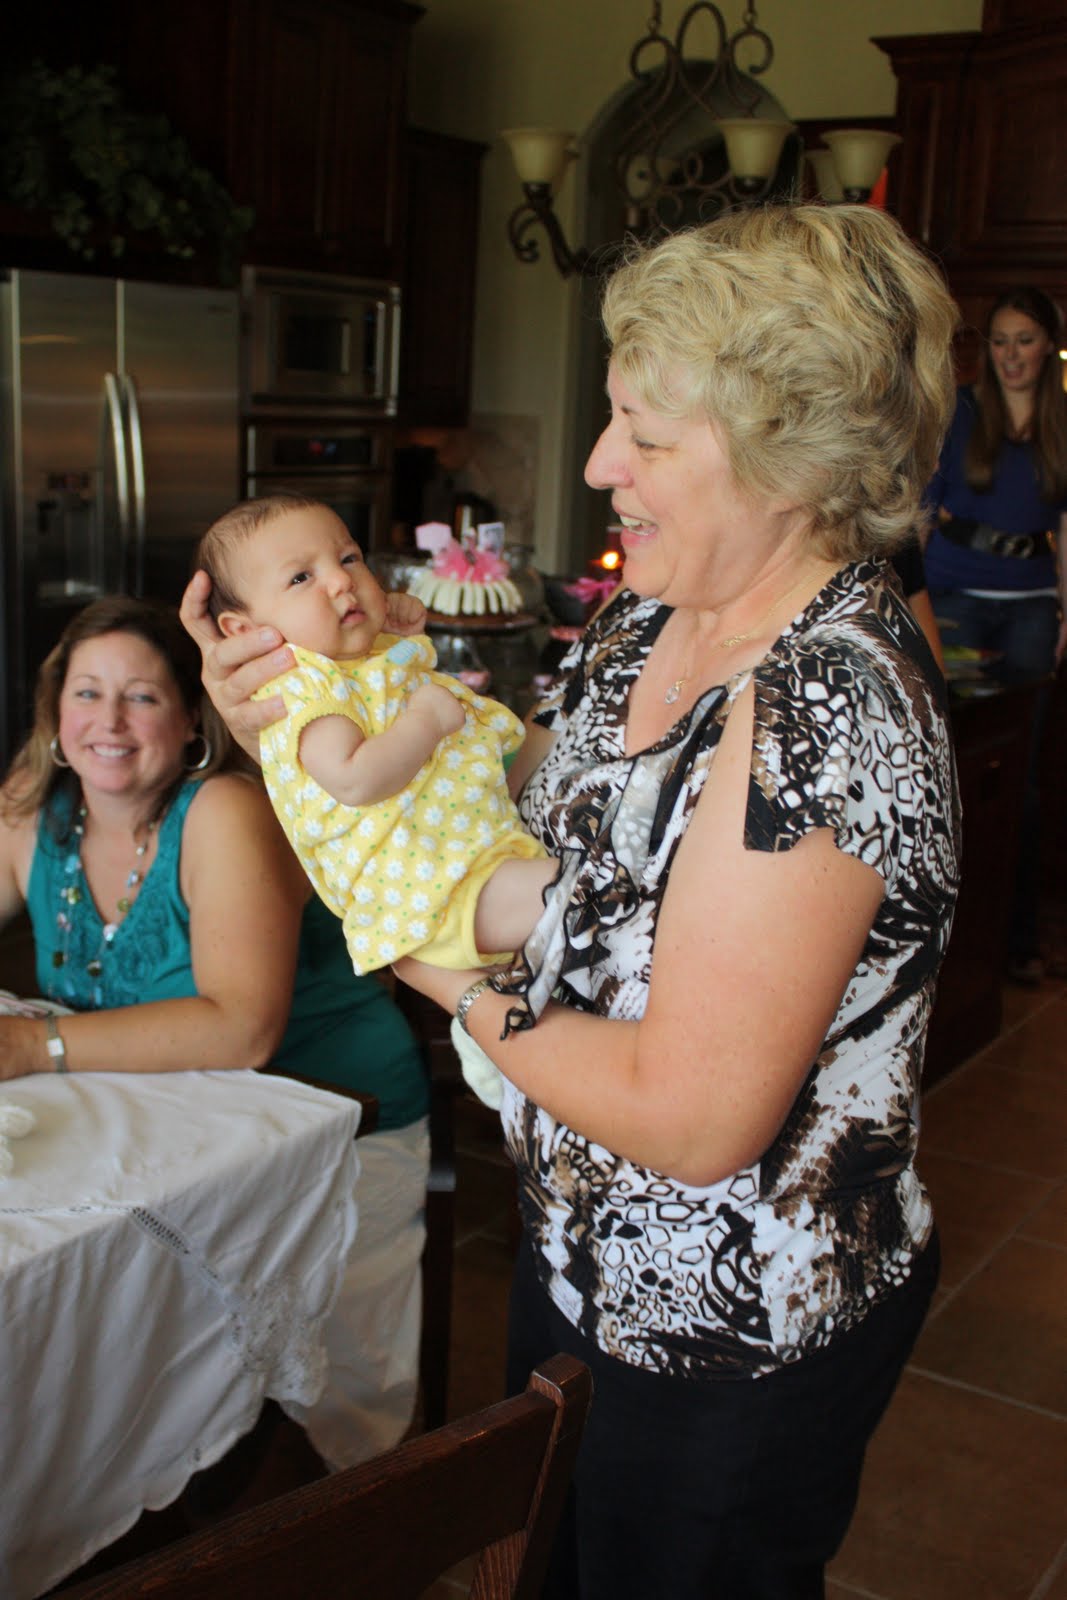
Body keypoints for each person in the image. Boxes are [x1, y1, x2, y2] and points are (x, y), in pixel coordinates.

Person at [182, 203, 961, 1599]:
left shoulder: (827, 707)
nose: (599, 463)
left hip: (730, 1321)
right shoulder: (643, 616)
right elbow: (534, 802)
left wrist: (431, 967)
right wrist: (300, 724)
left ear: (789, 454)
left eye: (642, 436)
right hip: (577, 1245)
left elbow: (694, 1118)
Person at [0, 595, 430, 1470]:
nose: (109, 723)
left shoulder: (224, 809)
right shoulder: (33, 810)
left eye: (142, 697)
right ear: (55, 715)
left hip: (331, 1122)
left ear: (191, 718)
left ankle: (370, 1513)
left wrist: (30, 1047)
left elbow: (242, 1030)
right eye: (87, 694)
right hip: (168, 1131)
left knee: (343, 1406)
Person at [194, 493, 553, 977]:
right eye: (301, 578)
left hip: (472, 860)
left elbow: (387, 697)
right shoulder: (301, 687)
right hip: (435, 892)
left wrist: (403, 641)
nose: (341, 580)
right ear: (244, 630)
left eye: (348, 558)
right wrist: (425, 721)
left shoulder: (353, 662)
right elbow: (353, 778)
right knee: (592, 896)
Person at [924, 285, 1067, 981]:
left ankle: (1012, 942)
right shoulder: (959, 412)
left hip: (1031, 608)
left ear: (1049, 348)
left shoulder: (1061, 423)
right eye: (1000, 341)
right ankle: (938, 942)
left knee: (1018, 776)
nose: (1011, 355)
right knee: (946, 766)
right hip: (953, 599)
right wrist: (908, 610)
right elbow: (921, 514)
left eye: (1025, 341)